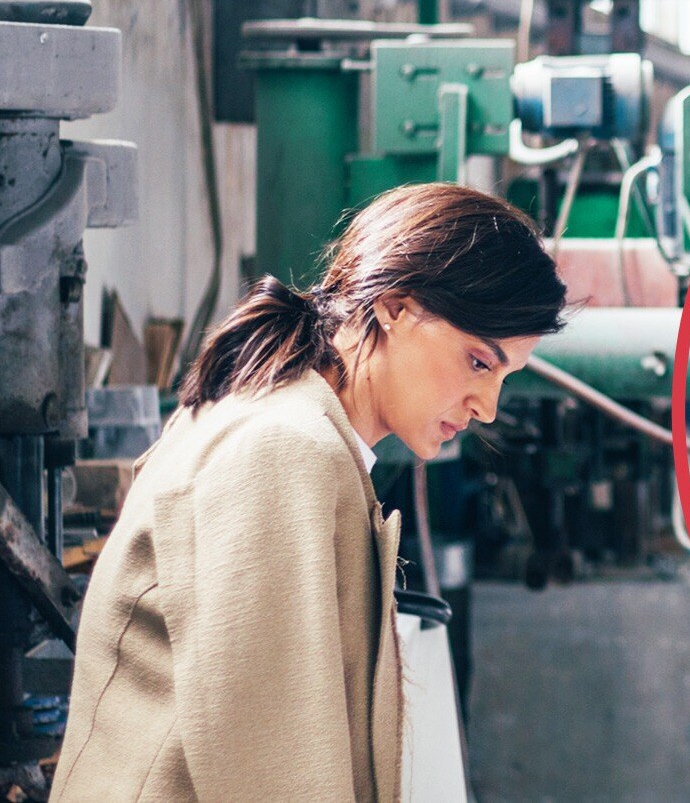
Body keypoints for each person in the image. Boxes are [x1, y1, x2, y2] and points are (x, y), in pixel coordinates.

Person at [51, 183, 568, 802]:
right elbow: (278, 776)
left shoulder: (293, 427)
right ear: (396, 308)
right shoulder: (284, 449)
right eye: (478, 363)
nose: (487, 406)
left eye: (505, 376)